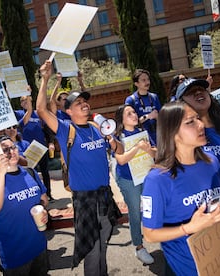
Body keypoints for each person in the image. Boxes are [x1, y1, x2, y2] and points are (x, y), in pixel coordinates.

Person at [36, 60, 124, 275]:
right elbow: (41, 109)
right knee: (92, 248)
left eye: (85, 102)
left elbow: (120, 151)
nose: (84, 104)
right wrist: (45, 79)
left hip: (104, 196)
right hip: (85, 199)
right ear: (68, 111)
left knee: (103, 242)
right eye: (78, 103)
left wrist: (112, 141)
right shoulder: (66, 130)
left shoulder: (97, 127)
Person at [141, 101, 220, 275]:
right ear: (172, 132)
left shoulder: (212, 162)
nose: (201, 124)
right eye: (190, 122)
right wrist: (188, 228)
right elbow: (149, 234)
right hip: (186, 268)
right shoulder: (157, 180)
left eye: (198, 119)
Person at [0, 135, 49, 275]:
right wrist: (0, 173)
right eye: (5, 150)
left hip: (39, 247)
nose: (12, 152)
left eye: (13, 147)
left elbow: (44, 199)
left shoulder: (30, 173)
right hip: (15, 255)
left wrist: (43, 210)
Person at [113, 104, 156, 264]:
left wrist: (147, 149)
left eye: (134, 111)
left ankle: (158, 235)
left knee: (151, 208)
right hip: (128, 180)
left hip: (146, 176)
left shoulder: (142, 132)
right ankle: (139, 247)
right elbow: (121, 159)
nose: (134, 114)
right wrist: (138, 147)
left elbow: (154, 153)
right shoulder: (118, 137)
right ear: (121, 119)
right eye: (128, 113)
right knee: (135, 213)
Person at [19, 95, 54, 200]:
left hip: (40, 147)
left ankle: (48, 194)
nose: (26, 103)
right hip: (28, 148)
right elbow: (21, 123)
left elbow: (46, 130)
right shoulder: (20, 114)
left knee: (45, 172)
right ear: (21, 104)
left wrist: (50, 142)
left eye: (28, 101)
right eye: (24, 102)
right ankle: (35, 196)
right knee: (30, 172)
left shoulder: (38, 114)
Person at [125, 69, 161, 144]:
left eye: (148, 79)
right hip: (142, 138)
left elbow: (161, 118)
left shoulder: (154, 97)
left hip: (157, 135)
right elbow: (129, 123)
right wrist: (148, 116)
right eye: (143, 80)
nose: (147, 82)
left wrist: (157, 117)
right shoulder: (131, 100)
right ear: (136, 83)